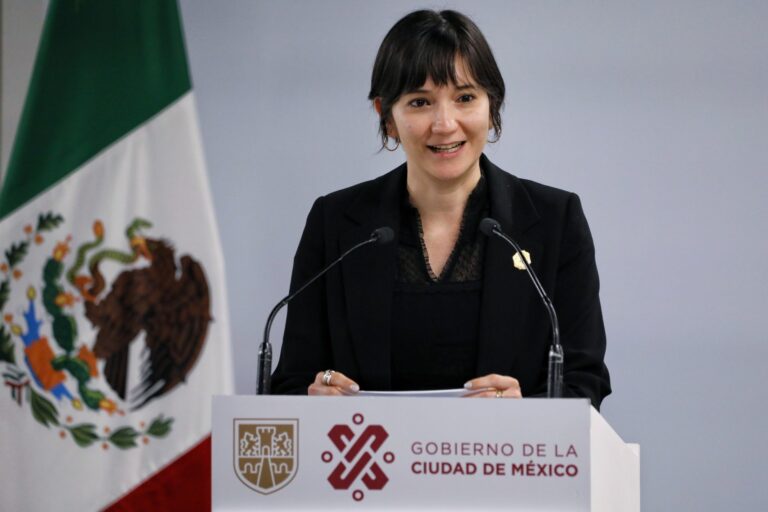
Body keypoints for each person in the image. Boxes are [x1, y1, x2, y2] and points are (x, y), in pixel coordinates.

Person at [270, 9, 611, 408]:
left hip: (503, 465)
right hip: (368, 465)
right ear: (387, 117)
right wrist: (315, 394)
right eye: (420, 102)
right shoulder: (335, 223)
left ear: (492, 106)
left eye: (465, 98)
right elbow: (291, 381)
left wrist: (528, 412)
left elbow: (584, 382)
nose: (445, 124)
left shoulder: (555, 220)